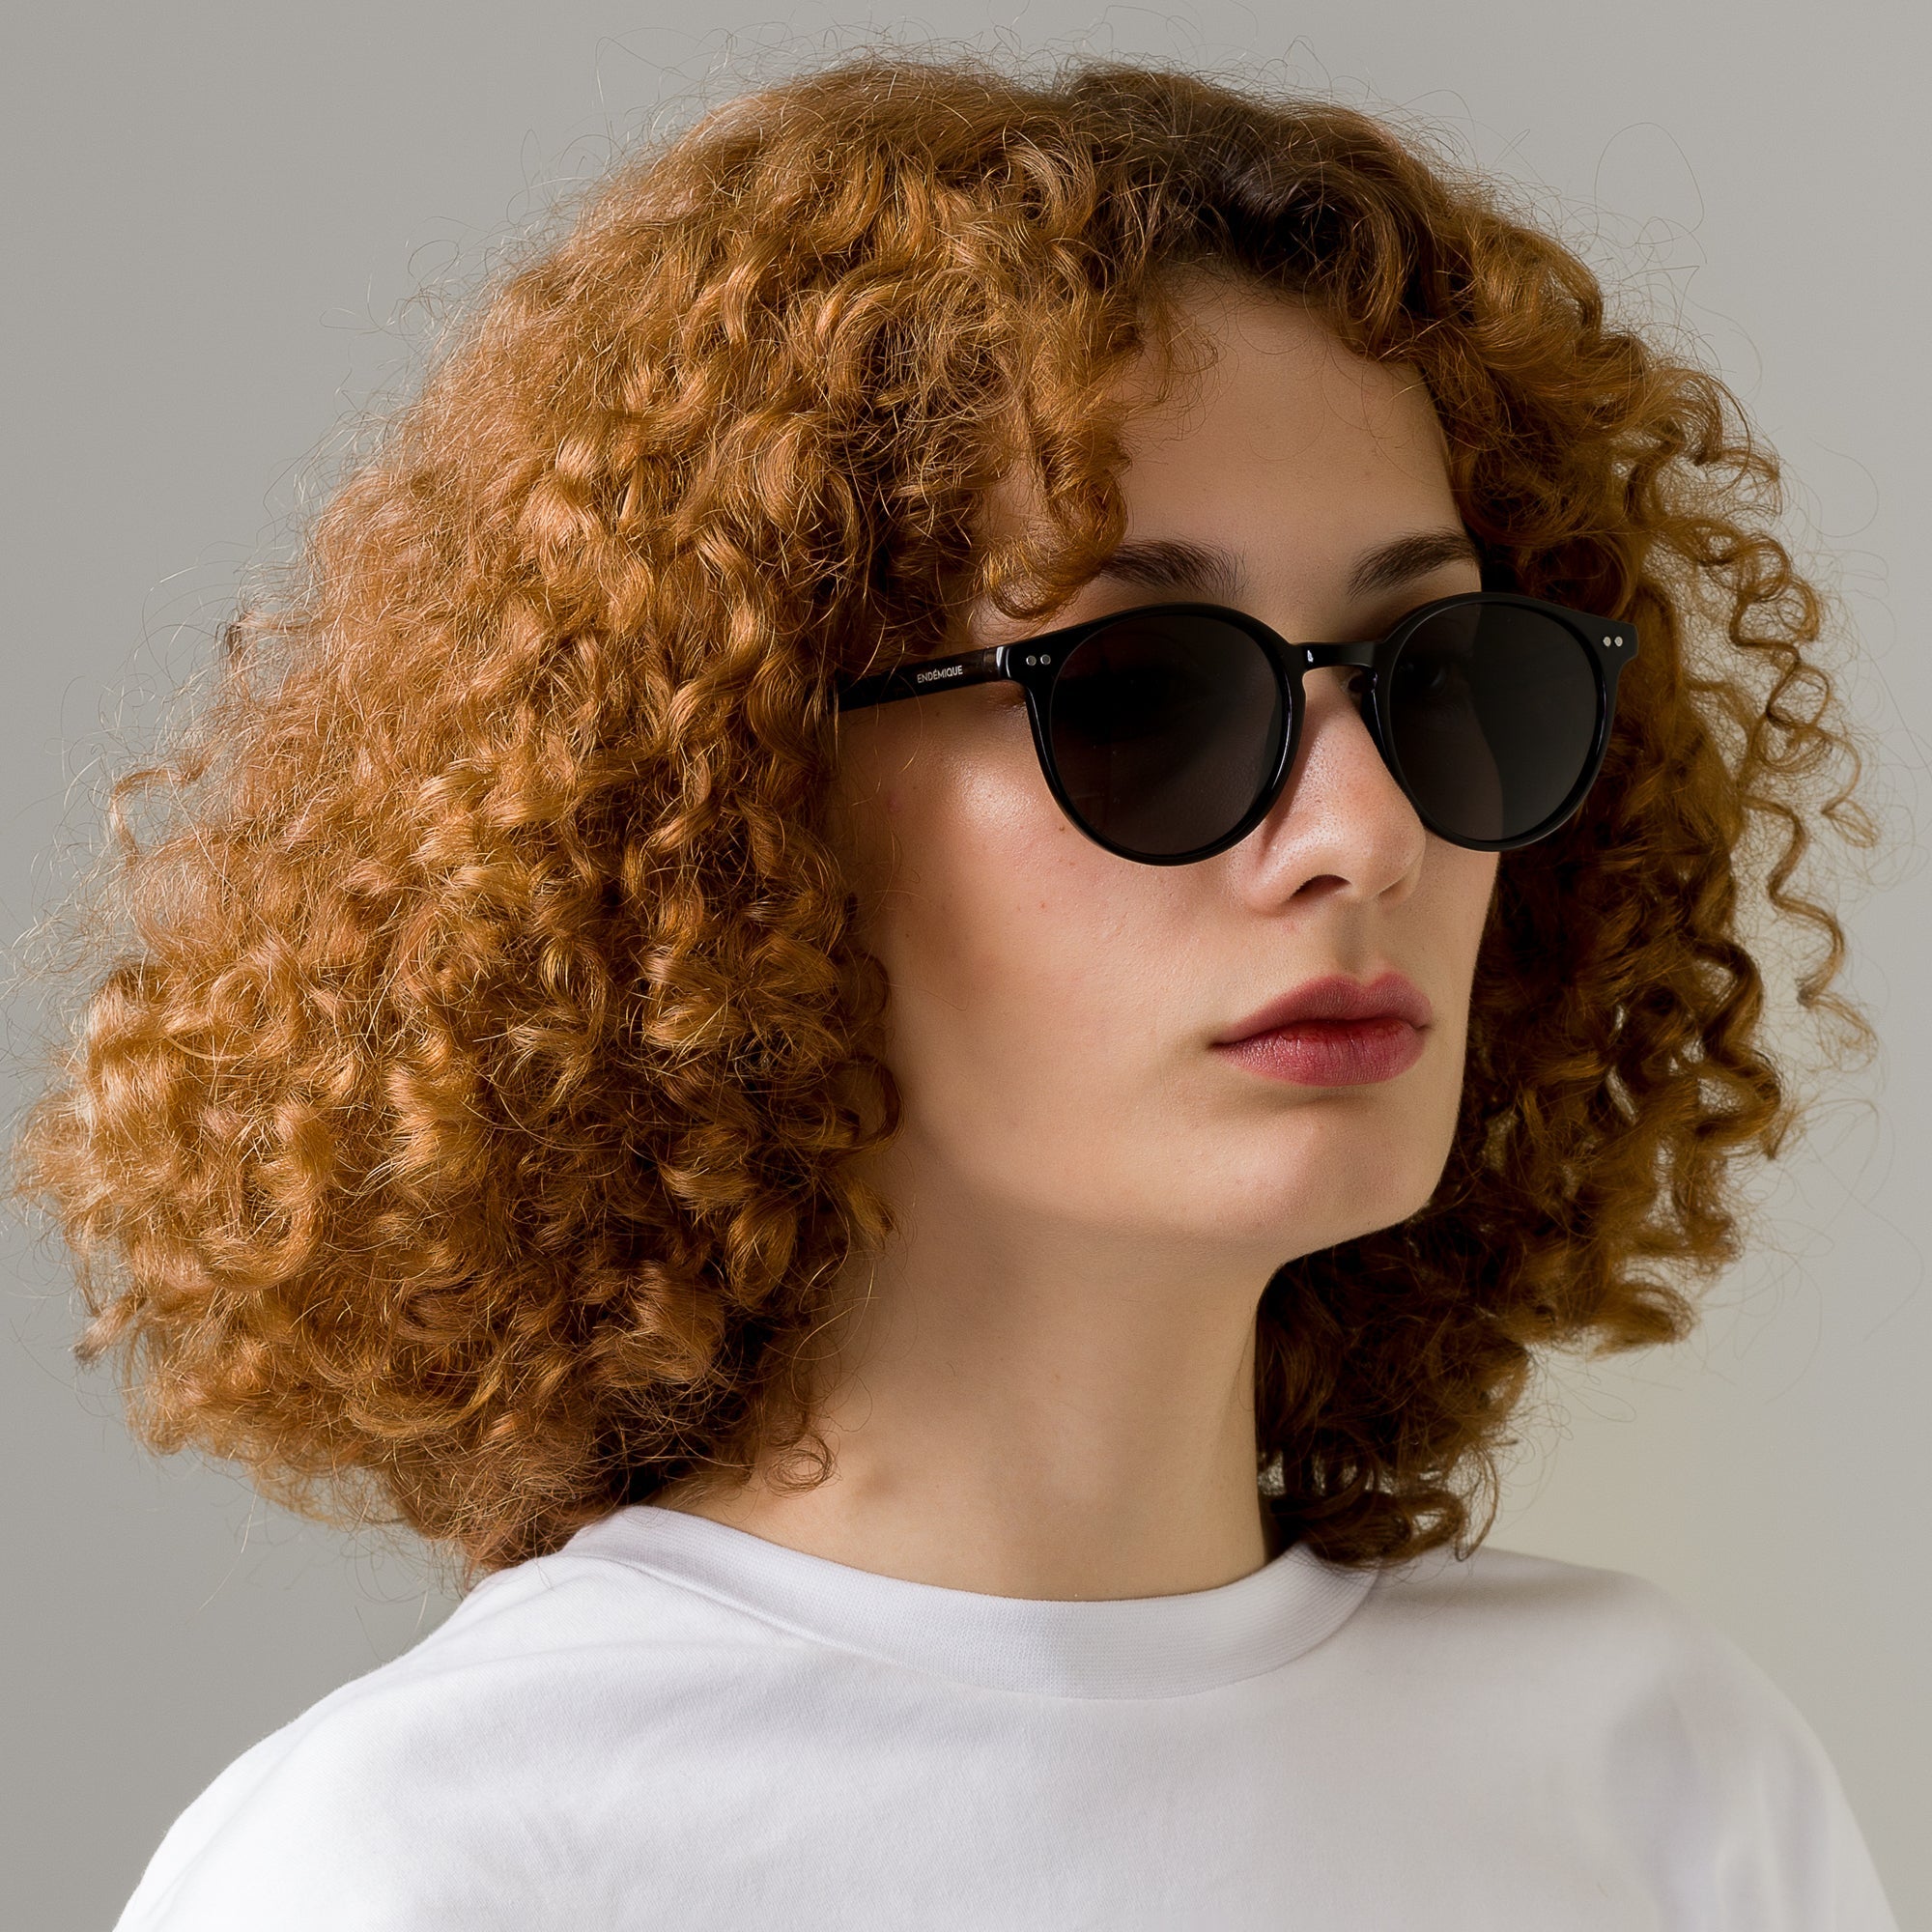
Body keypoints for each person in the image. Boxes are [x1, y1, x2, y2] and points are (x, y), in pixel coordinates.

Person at [8, 49, 1898, 1931]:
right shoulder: (434, 1866)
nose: (1365, 832)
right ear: (743, 814)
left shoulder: (1660, 1779)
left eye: (1442, 675)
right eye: (1148, 696)